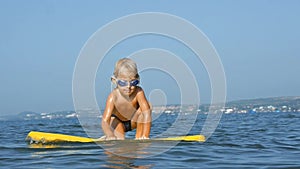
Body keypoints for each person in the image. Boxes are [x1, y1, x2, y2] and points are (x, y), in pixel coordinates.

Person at [101, 58, 152, 140]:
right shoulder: (113, 97)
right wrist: (110, 135)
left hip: (133, 121)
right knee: (119, 140)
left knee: (148, 106)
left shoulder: (138, 92)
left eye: (133, 82)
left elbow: (146, 114)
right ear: (114, 80)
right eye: (123, 83)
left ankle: (140, 137)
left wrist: (146, 135)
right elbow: (104, 121)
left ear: (137, 80)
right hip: (117, 122)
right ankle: (110, 135)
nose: (128, 87)